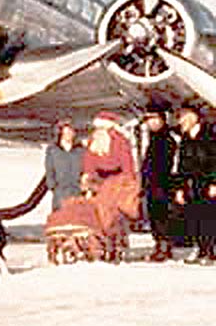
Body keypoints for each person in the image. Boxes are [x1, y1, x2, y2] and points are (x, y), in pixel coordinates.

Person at [176, 105, 216, 262]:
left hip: (206, 182)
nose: (180, 121)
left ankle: (209, 250)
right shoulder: (186, 139)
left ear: (193, 117)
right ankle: (199, 249)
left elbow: (214, 160)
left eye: (183, 117)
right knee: (194, 217)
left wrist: (214, 182)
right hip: (191, 184)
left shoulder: (209, 135)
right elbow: (181, 165)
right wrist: (179, 187)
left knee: (209, 217)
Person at [140, 103, 176, 261]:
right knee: (155, 216)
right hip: (152, 184)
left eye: (154, 119)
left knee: (162, 216)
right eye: (149, 120)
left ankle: (164, 247)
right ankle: (160, 245)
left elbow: (167, 164)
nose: (151, 123)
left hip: (163, 184)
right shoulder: (154, 138)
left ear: (162, 120)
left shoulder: (167, 139)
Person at [81, 111, 137, 194]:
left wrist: (128, 182)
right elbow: (89, 160)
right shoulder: (93, 142)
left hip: (116, 182)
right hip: (98, 182)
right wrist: (87, 175)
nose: (100, 131)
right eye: (98, 128)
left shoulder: (120, 141)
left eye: (103, 128)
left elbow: (127, 163)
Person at [45, 120, 84, 211]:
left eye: (70, 132)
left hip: (77, 190)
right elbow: (49, 169)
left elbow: (86, 168)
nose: (68, 135)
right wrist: (53, 186)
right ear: (60, 133)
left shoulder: (81, 150)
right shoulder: (53, 150)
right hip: (60, 191)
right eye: (66, 132)